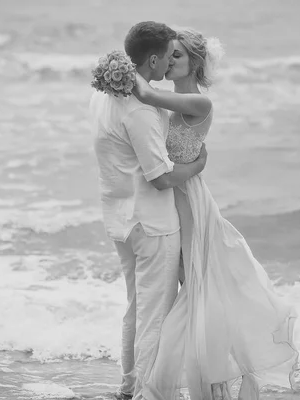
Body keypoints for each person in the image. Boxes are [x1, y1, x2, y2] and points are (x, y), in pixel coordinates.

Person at [132, 29, 299, 400]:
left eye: (175, 55)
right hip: (168, 198)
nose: (168, 60)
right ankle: (209, 385)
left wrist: (121, 69)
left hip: (187, 203)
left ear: (195, 62)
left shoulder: (199, 104)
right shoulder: (167, 104)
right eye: (166, 55)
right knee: (189, 290)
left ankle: (186, 384)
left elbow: (142, 91)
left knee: (196, 290)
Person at [89, 22, 208, 400]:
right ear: (153, 59)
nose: (169, 63)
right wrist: (195, 167)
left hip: (119, 219)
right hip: (152, 224)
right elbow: (160, 177)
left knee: (135, 309)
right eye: (167, 56)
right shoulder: (139, 109)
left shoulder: (102, 97)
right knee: (154, 315)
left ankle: (129, 387)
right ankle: (148, 395)